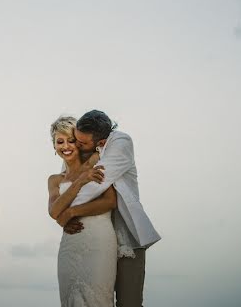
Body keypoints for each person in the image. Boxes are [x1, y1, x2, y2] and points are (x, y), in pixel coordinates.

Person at [69, 110, 160, 307]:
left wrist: (66, 209)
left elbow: (98, 182)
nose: (77, 145)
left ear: (101, 141)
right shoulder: (83, 150)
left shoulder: (121, 142)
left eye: (83, 143)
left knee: (130, 302)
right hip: (95, 236)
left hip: (127, 236)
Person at [48, 116, 120, 307]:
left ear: (79, 143)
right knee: (71, 299)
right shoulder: (54, 180)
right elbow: (55, 211)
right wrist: (80, 180)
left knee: (98, 298)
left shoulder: (98, 164)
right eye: (59, 142)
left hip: (98, 241)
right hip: (70, 246)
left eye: (71, 140)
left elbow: (110, 201)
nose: (66, 146)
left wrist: (71, 213)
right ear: (54, 146)